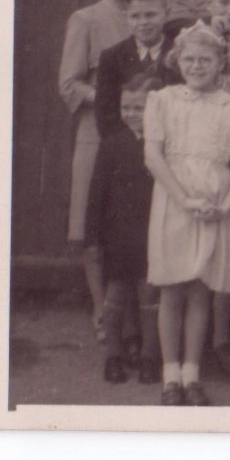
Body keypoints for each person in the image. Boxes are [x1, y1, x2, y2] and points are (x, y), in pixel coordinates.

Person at [144, 21, 230, 406]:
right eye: (189, 59)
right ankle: (169, 374)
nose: (196, 65)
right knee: (172, 288)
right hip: (175, 201)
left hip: (216, 206)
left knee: (200, 292)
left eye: (205, 59)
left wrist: (224, 208)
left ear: (220, 62)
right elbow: (154, 157)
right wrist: (184, 199)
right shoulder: (162, 101)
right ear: (177, 61)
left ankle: (192, 373)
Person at [61, 0, 154, 340]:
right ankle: (102, 310)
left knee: (134, 224)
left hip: (139, 134)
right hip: (97, 134)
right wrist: (110, 94)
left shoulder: (151, 15)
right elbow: (69, 84)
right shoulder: (86, 20)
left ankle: (133, 312)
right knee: (94, 224)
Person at [86, 73, 165, 385]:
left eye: (140, 107)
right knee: (115, 299)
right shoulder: (112, 143)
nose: (132, 114)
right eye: (127, 107)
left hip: (151, 234)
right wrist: (93, 237)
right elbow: (96, 195)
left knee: (149, 298)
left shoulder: (162, 145)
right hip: (118, 236)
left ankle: (148, 357)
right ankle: (114, 356)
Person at [94, 0, 172, 139]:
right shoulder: (112, 58)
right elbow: (106, 116)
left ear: (166, 14)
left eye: (150, 15)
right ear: (126, 17)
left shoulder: (179, 53)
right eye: (135, 16)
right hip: (127, 149)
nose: (143, 23)